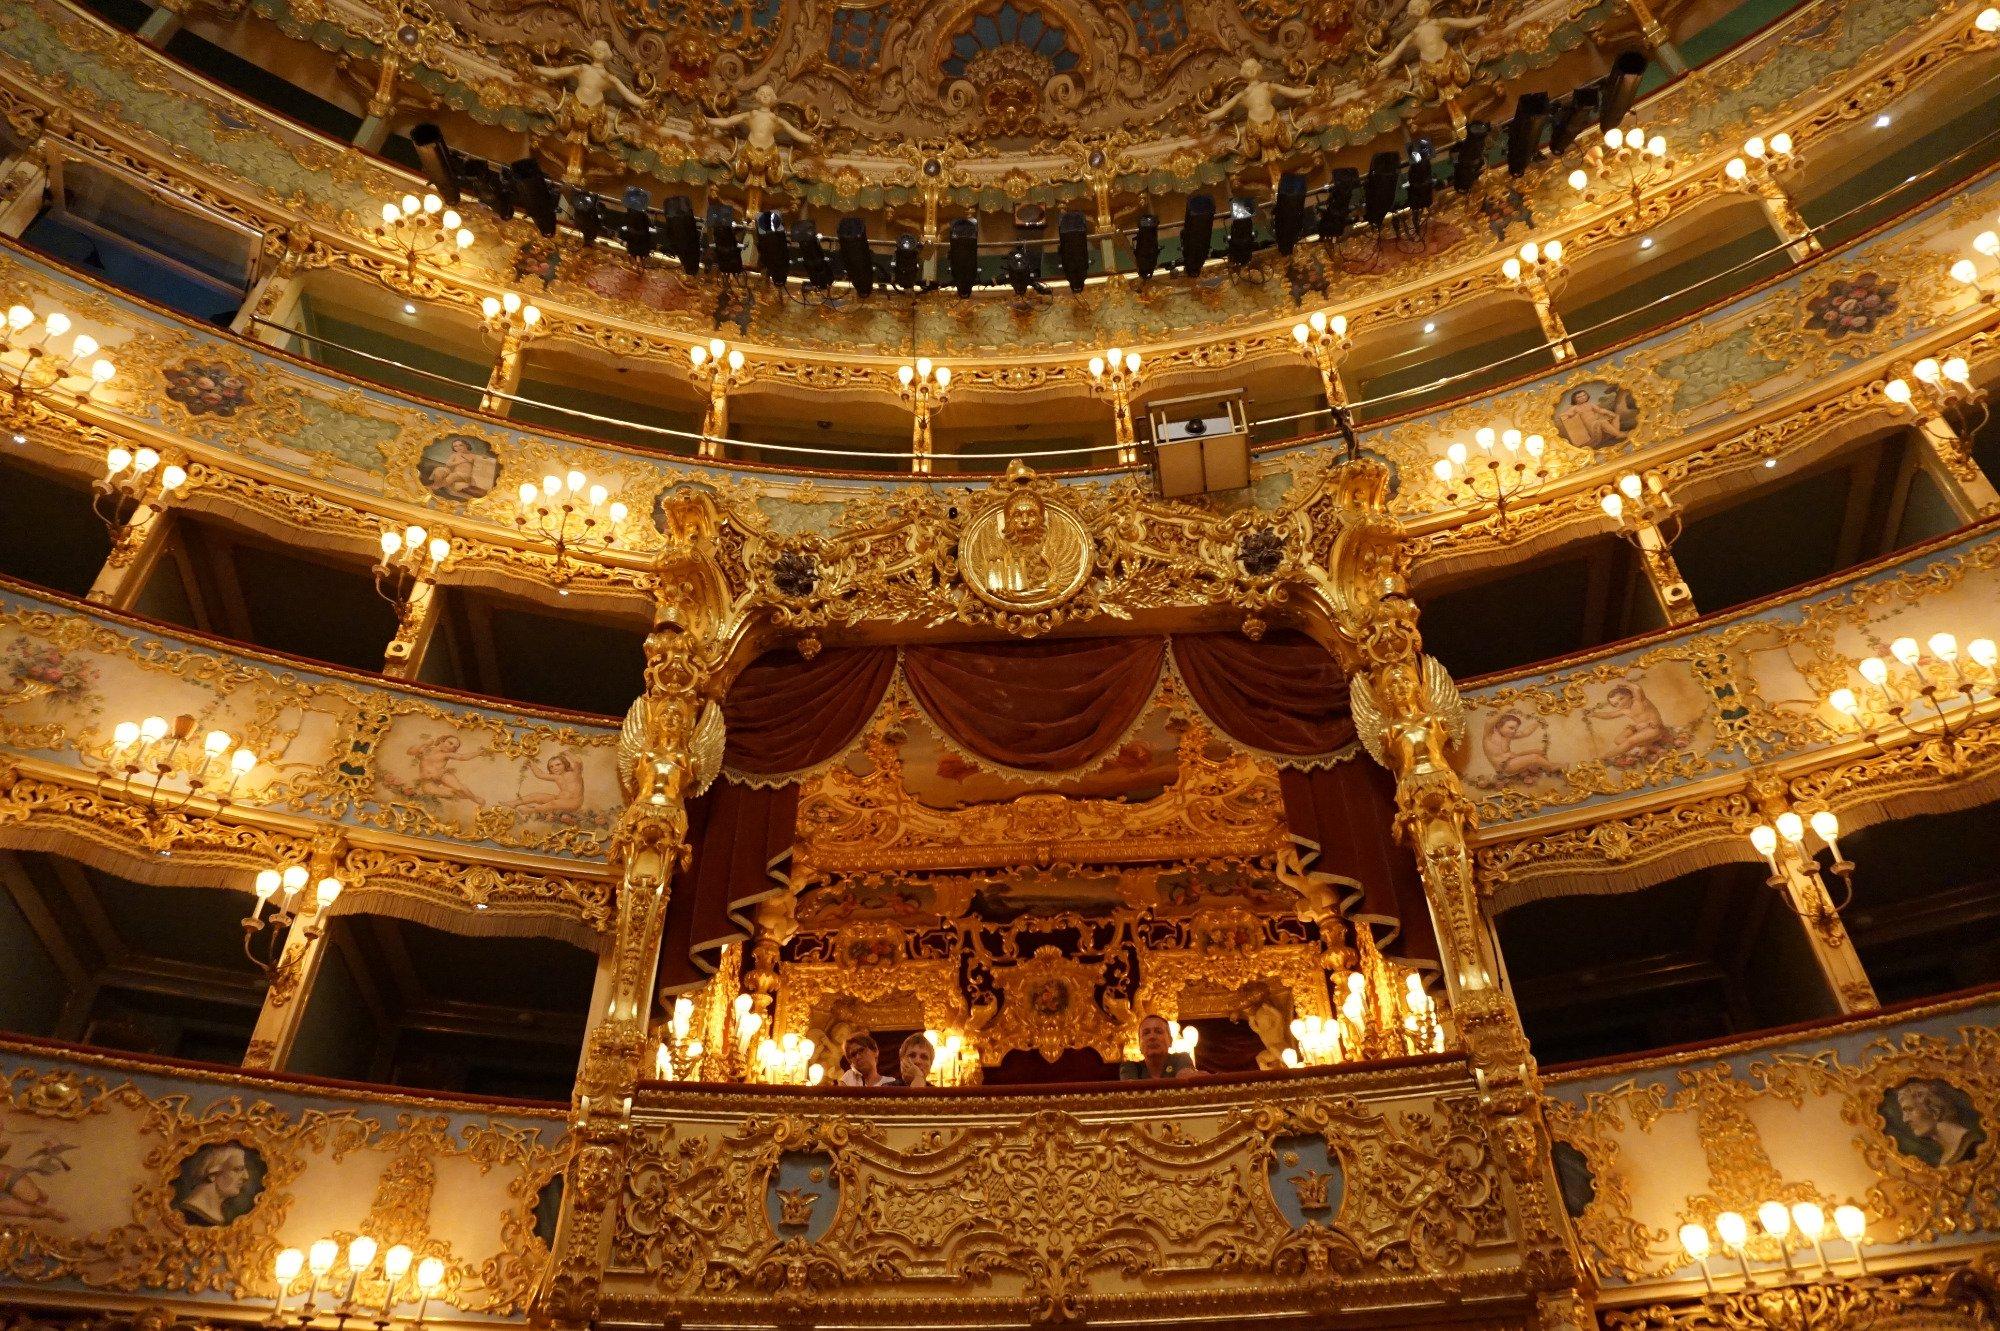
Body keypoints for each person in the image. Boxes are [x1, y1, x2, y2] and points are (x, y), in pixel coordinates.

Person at [1895, 1081, 1985, 1166]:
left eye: (1909, 1110)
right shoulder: (1946, 1158)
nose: (1905, 1119)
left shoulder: (1976, 1146)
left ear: (1933, 1106)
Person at [177, 1143, 253, 1226]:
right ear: (212, 1174)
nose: (246, 1176)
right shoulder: (188, 1215)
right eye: (237, 1169)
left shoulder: (217, 1215)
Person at [1119, 1014, 1196, 1081]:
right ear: (1139, 1044)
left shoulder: (1181, 1059)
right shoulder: (1131, 1067)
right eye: (1146, 1033)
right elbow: (1130, 1089)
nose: (1152, 1037)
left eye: (1158, 1031)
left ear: (1170, 1040)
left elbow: (1186, 1080)